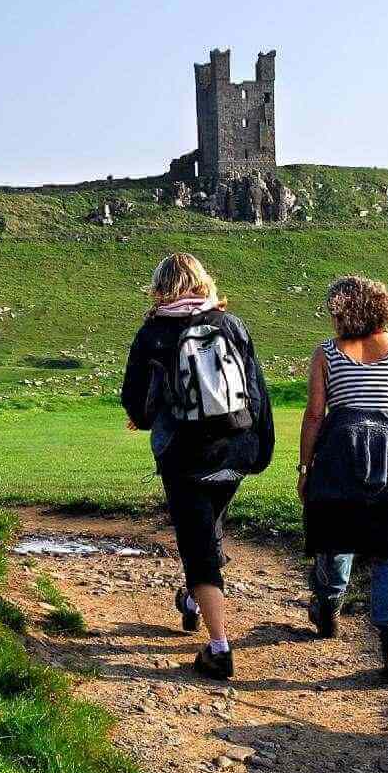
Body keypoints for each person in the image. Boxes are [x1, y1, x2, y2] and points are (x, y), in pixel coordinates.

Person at [121, 252, 275, 680]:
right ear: (202, 281)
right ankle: (192, 600)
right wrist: (260, 448)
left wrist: (145, 417)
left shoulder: (153, 333)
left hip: (183, 454)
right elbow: (257, 390)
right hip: (235, 448)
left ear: (160, 287)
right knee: (210, 527)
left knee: (198, 544)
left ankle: (219, 647)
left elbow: (134, 398)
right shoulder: (230, 324)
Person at [296, 276, 388, 683]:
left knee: (334, 538)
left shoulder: (326, 353)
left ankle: (327, 607)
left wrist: (305, 468)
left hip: (339, 454)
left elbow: (314, 415)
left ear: (340, 310)